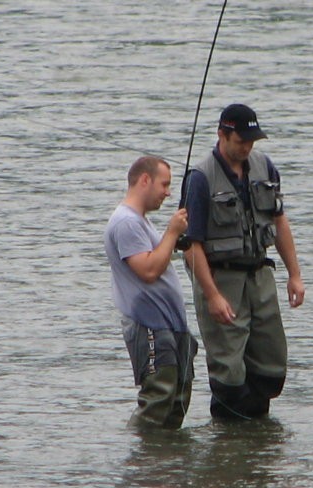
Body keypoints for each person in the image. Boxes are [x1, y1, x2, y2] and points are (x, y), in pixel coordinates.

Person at [182, 103, 305, 419]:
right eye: (241, 141)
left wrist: (295, 275)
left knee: (271, 369)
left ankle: (255, 443)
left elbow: (279, 222)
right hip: (221, 280)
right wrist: (212, 296)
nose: (248, 147)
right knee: (230, 375)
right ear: (222, 135)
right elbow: (191, 247)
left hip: (260, 276)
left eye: (252, 140)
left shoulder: (265, 166)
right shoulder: (199, 178)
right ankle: (227, 440)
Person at [104, 156, 197, 429]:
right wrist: (172, 232)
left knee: (177, 399)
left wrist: (174, 238)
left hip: (169, 324)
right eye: (164, 184)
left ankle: (167, 464)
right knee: (159, 398)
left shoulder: (141, 222)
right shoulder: (126, 223)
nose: (168, 193)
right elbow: (147, 270)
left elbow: (158, 258)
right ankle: (143, 462)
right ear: (145, 180)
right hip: (148, 324)